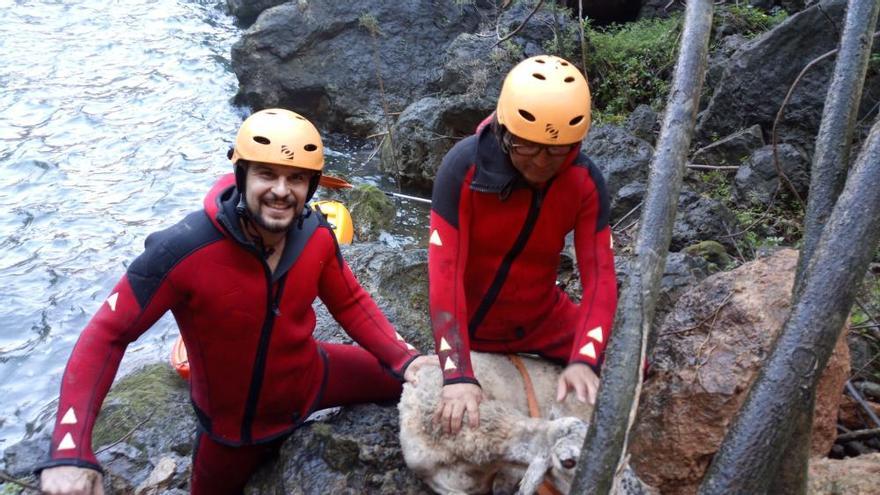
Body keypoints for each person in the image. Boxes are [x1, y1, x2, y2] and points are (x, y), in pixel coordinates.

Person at [37, 108, 434, 494]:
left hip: (313, 380)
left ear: (312, 186)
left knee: (426, 383)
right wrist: (71, 450)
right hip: (233, 432)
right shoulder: (183, 249)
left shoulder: (315, 235)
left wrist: (407, 359)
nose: (281, 190)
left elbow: (350, 302)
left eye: (296, 178)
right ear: (241, 174)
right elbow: (108, 334)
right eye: (267, 173)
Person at [428, 55, 617, 434]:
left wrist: (584, 357)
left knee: (633, 366)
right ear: (504, 130)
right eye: (527, 145)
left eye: (557, 149)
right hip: (472, 323)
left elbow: (600, 278)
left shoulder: (583, 180)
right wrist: (458, 372)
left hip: (542, 319)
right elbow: (444, 272)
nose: (542, 162)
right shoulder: (463, 166)